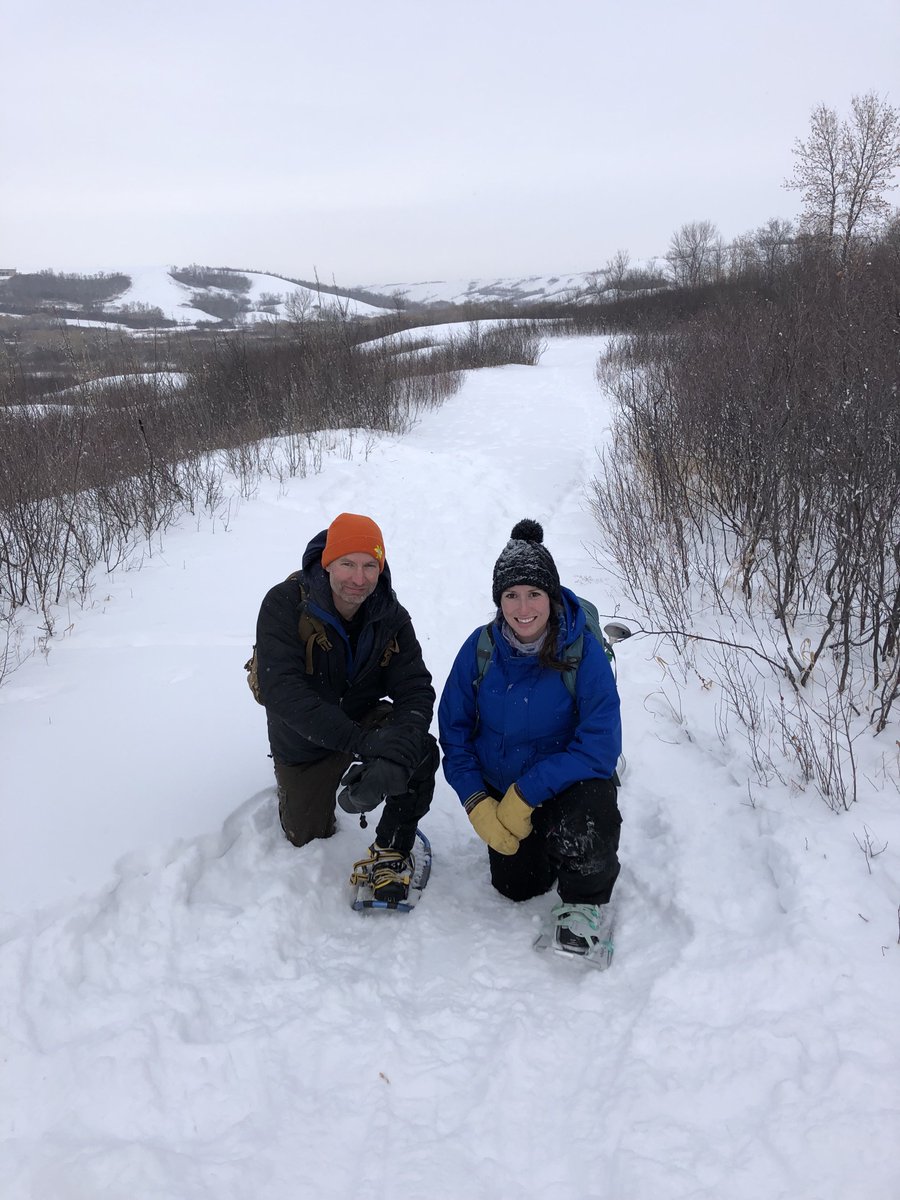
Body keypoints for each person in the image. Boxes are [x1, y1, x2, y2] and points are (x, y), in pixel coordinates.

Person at [438, 519, 623, 955]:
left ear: (552, 596)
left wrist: (529, 791)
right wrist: (475, 800)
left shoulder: (582, 653)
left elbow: (600, 746)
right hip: (501, 794)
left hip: (565, 786)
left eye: (534, 593)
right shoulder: (480, 649)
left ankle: (585, 899)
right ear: (499, 600)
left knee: (588, 820)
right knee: (515, 888)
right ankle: (542, 844)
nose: (524, 608)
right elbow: (454, 731)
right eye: (511, 595)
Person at [254, 512, 438, 901]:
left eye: (370, 565)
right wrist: (363, 744)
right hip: (303, 743)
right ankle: (296, 789)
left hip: (362, 723)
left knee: (418, 751)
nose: (359, 578)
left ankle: (394, 845)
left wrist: (396, 750)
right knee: (306, 835)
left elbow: (415, 687)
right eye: (348, 564)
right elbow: (283, 692)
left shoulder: (389, 614)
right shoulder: (284, 605)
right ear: (327, 563)